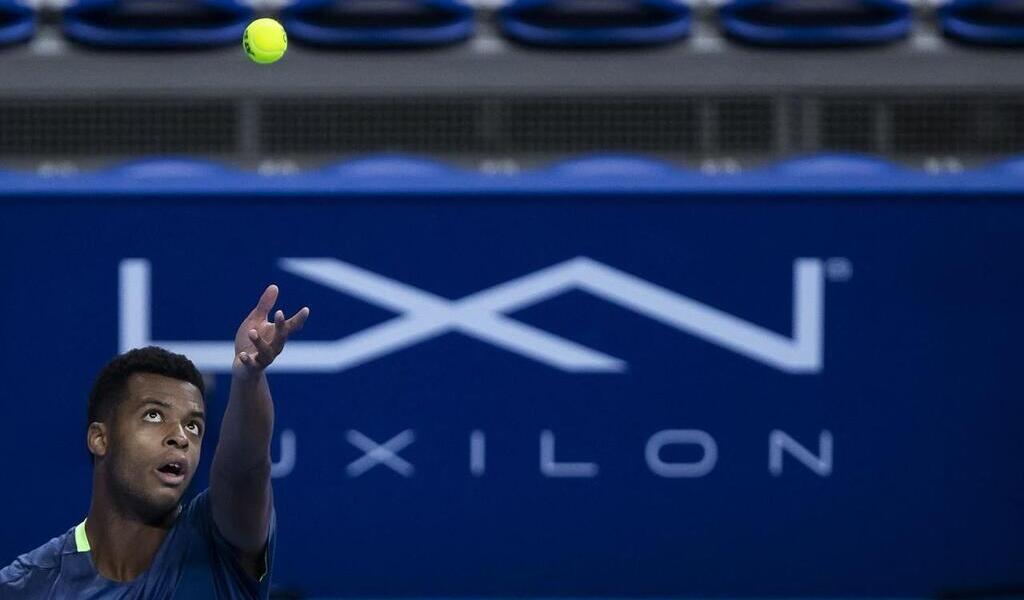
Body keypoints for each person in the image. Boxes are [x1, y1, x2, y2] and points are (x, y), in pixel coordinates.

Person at [0, 285, 309, 599]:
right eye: (153, 416)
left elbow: (245, 470)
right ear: (99, 438)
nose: (180, 437)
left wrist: (248, 379)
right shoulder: (27, 587)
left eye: (193, 426)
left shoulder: (219, 545)